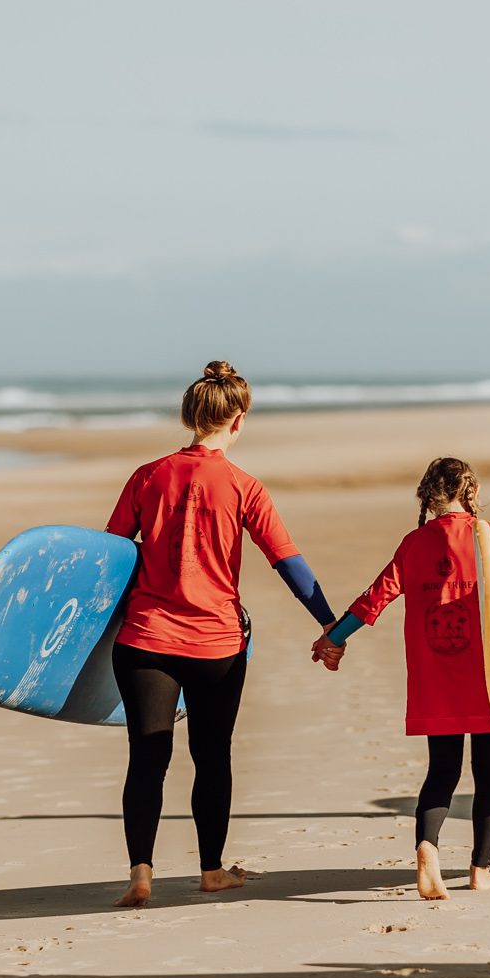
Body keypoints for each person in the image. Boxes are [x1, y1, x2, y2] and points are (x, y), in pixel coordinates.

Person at [102, 359, 339, 907]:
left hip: (144, 641)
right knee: (212, 756)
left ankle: (141, 872)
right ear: (238, 419)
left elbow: (109, 556)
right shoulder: (242, 485)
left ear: (191, 416)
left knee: (147, 756)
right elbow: (288, 563)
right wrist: (328, 622)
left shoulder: (148, 475)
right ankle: (211, 870)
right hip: (216, 645)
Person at [314, 458, 490, 900]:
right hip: (488, 676)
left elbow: (372, 601)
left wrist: (333, 639)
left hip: (433, 677)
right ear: (471, 491)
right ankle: (481, 868)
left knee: (442, 770)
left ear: (428, 497)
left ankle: (427, 847)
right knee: (488, 771)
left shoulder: (414, 543)